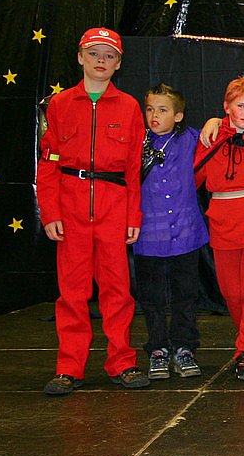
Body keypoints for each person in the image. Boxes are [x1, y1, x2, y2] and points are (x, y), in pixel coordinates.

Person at [40, 27, 149, 395]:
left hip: (112, 207)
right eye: (94, 53)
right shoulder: (60, 105)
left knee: (117, 290)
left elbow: (133, 168)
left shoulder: (129, 106)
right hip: (70, 208)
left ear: (118, 64)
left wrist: (133, 216)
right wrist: (50, 211)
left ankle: (123, 362)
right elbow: (49, 162)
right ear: (80, 57)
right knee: (72, 292)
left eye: (109, 55)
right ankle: (69, 367)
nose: (101, 61)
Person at [193, 77, 244, 381]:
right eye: (241, 106)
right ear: (226, 106)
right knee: (231, 292)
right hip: (222, 220)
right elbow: (191, 177)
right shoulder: (210, 138)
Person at [136, 84, 209, 380]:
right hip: (148, 236)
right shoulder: (137, 142)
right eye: (150, 109)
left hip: (185, 233)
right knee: (152, 298)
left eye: (163, 110)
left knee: (185, 295)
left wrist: (215, 121)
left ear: (178, 115)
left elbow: (219, 134)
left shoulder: (191, 140)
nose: (154, 115)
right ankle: (157, 349)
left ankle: (184, 347)